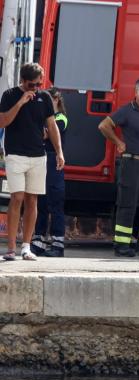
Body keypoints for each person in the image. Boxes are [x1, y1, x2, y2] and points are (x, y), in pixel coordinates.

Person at [0, 63, 64, 261]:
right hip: (15, 154)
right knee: (17, 197)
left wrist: (60, 152)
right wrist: (20, 102)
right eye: (32, 85)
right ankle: (11, 248)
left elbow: (51, 126)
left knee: (32, 199)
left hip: (38, 155)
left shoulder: (44, 97)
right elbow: (3, 122)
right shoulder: (9, 95)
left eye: (38, 84)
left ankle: (26, 247)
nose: (35, 88)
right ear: (23, 81)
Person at [98, 77, 139, 258]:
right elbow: (104, 125)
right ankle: (121, 245)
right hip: (132, 162)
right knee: (127, 204)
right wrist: (118, 142)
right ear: (136, 92)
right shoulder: (127, 111)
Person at [31, 88, 68, 257]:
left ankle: (58, 243)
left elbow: (46, 134)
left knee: (55, 202)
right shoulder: (45, 118)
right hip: (42, 159)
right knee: (41, 202)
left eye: (50, 99)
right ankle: (38, 241)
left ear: (57, 100)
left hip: (53, 161)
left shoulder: (60, 119)